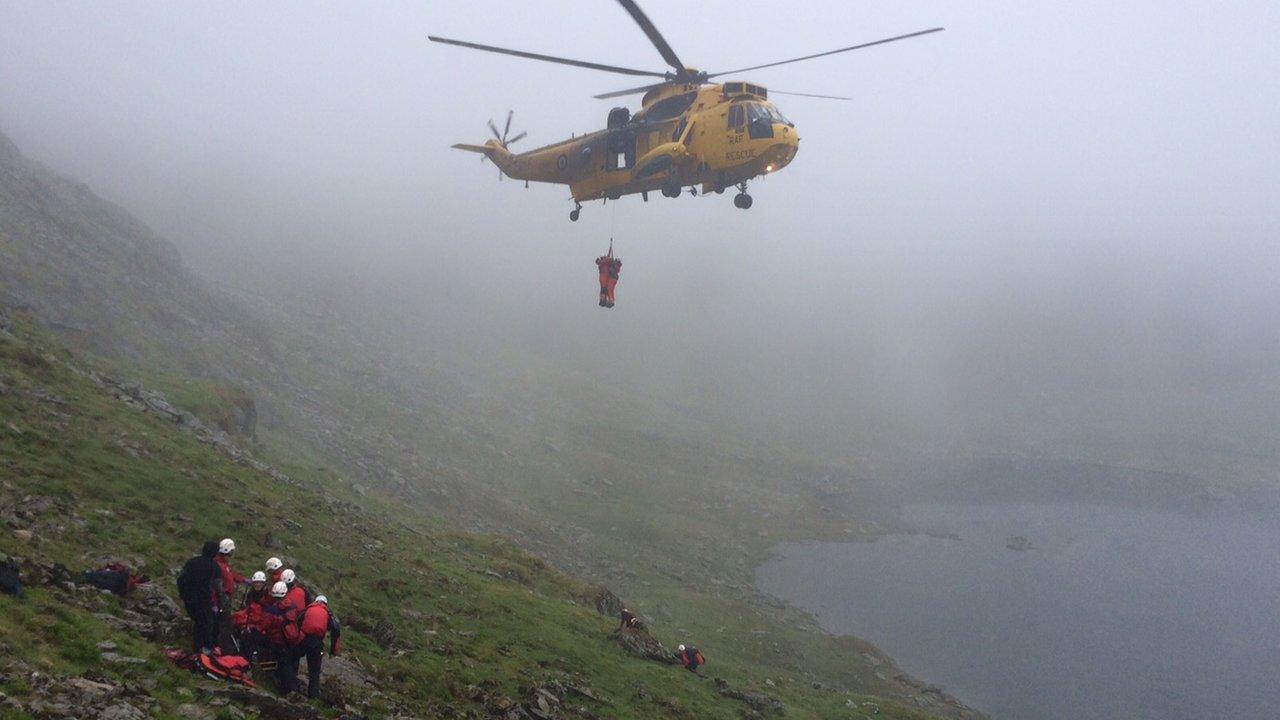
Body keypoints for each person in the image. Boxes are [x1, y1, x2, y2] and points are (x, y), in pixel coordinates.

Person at [286, 594, 342, 699]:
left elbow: (298, 622)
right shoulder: (327, 613)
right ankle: (313, 696)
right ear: (325, 604)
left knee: (292, 659)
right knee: (314, 671)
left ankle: (290, 686)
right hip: (317, 643)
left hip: (303, 640)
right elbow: (335, 630)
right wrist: (332, 650)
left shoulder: (308, 609)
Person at [177, 540, 220, 653]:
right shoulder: (214, 566)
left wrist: (183, 594)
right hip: (204, 602)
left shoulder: (191, 562)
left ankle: (196, 650)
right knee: (206, 626)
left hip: (189, 600)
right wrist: (219, 603)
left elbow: (181, 579)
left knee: (198, 623)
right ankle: (203, 653)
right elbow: (217, 587)